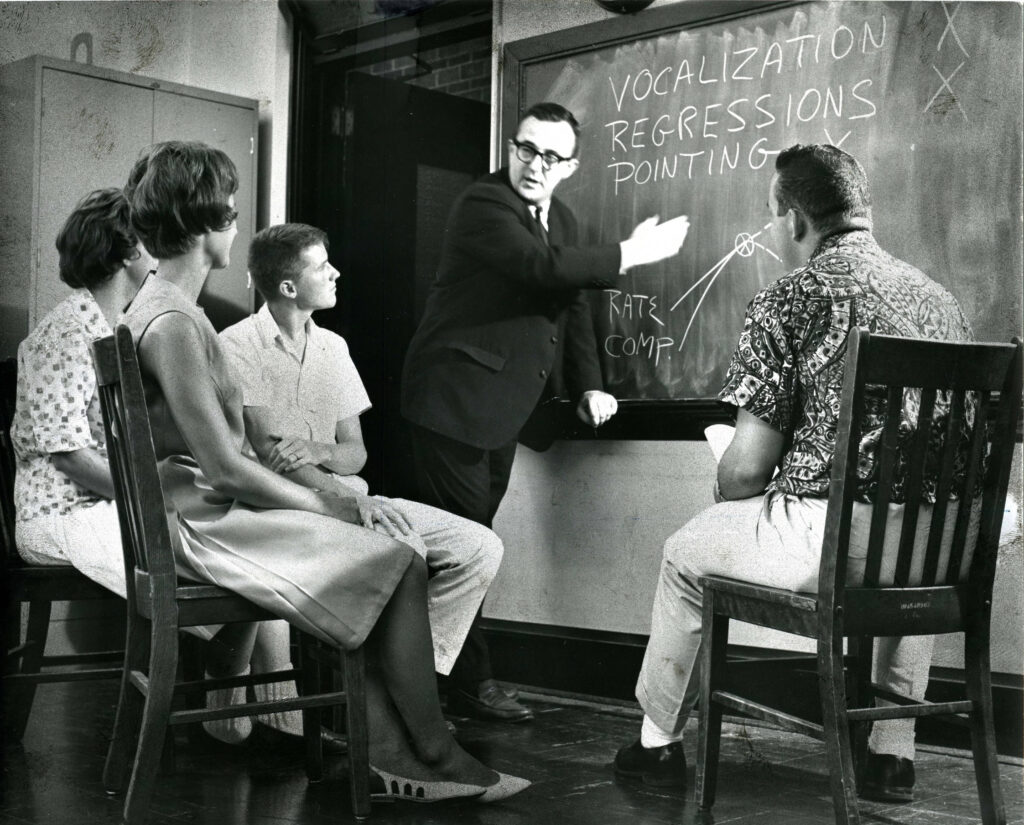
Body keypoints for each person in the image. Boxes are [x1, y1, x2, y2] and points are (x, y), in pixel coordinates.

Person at [120, 140, 526, 803]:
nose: (236, 224)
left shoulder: (160, 308)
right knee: (393, 555)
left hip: (196, 509)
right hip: (204, 522)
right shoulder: (171, 321)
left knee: (387, 551)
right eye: (228, 209)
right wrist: (327, 506)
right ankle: (425, 750)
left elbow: (216, 453)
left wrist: (332, 496)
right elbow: (226, 465)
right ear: (201, 222)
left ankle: (405, 751)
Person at [613, 144, 975, 804]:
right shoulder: (942, 303)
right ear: (861, 209)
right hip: (936, 552)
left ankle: (655, 744)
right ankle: (892, 753)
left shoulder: (791, 299)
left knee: (684, 554)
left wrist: (724, 478)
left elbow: (747, 471)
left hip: (833, 542)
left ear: (794, 219)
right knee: (908, 531)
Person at [401, 101, 690, 722]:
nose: (535, 164)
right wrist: (630, 255)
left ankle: (441, 683)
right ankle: (453, 687)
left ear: (570, 166)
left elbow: (574, 300)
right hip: (451, 402)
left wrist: (589, 386)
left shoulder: (560, 214)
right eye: (526, 149)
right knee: (466, 546)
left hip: (499, 409)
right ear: (511, 147)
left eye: (551, 157)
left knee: (472, 544)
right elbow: (541, 268)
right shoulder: (484, 204)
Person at [219, 222, 503, 684]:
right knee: (404, 551)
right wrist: (349, 501)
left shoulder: (334, 347)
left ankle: (409, 682)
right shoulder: (237, 345)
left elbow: (356, 454)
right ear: (289, 287)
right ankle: (391, 694)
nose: (336, 273)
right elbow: (273, 460)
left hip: (355, 501)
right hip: (292, 509)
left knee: (479, 546)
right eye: (322, 266)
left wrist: (318, 449)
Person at [12, 189, 155, 595]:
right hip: (58, 517)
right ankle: (218, 658)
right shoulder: (66, 334)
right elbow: (69, 456)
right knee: (191, 552)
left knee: (229, 553)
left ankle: (239, 661)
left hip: (102, 508)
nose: (160, 249)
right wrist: (148, 499)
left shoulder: (113, 326)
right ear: (129, 253)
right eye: (152, 238)